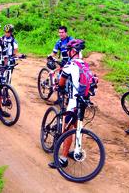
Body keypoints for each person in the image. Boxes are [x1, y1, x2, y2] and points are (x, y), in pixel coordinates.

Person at [48, 39, 89, 169]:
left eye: (68, 51)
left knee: (67, 129)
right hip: (84, 101)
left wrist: (57, 87)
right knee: (77, 127)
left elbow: (61, 82)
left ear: (72, 51)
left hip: (74, 101)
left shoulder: (70, 65)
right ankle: (76, 150)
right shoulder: (85, 65)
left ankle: (63, 159)